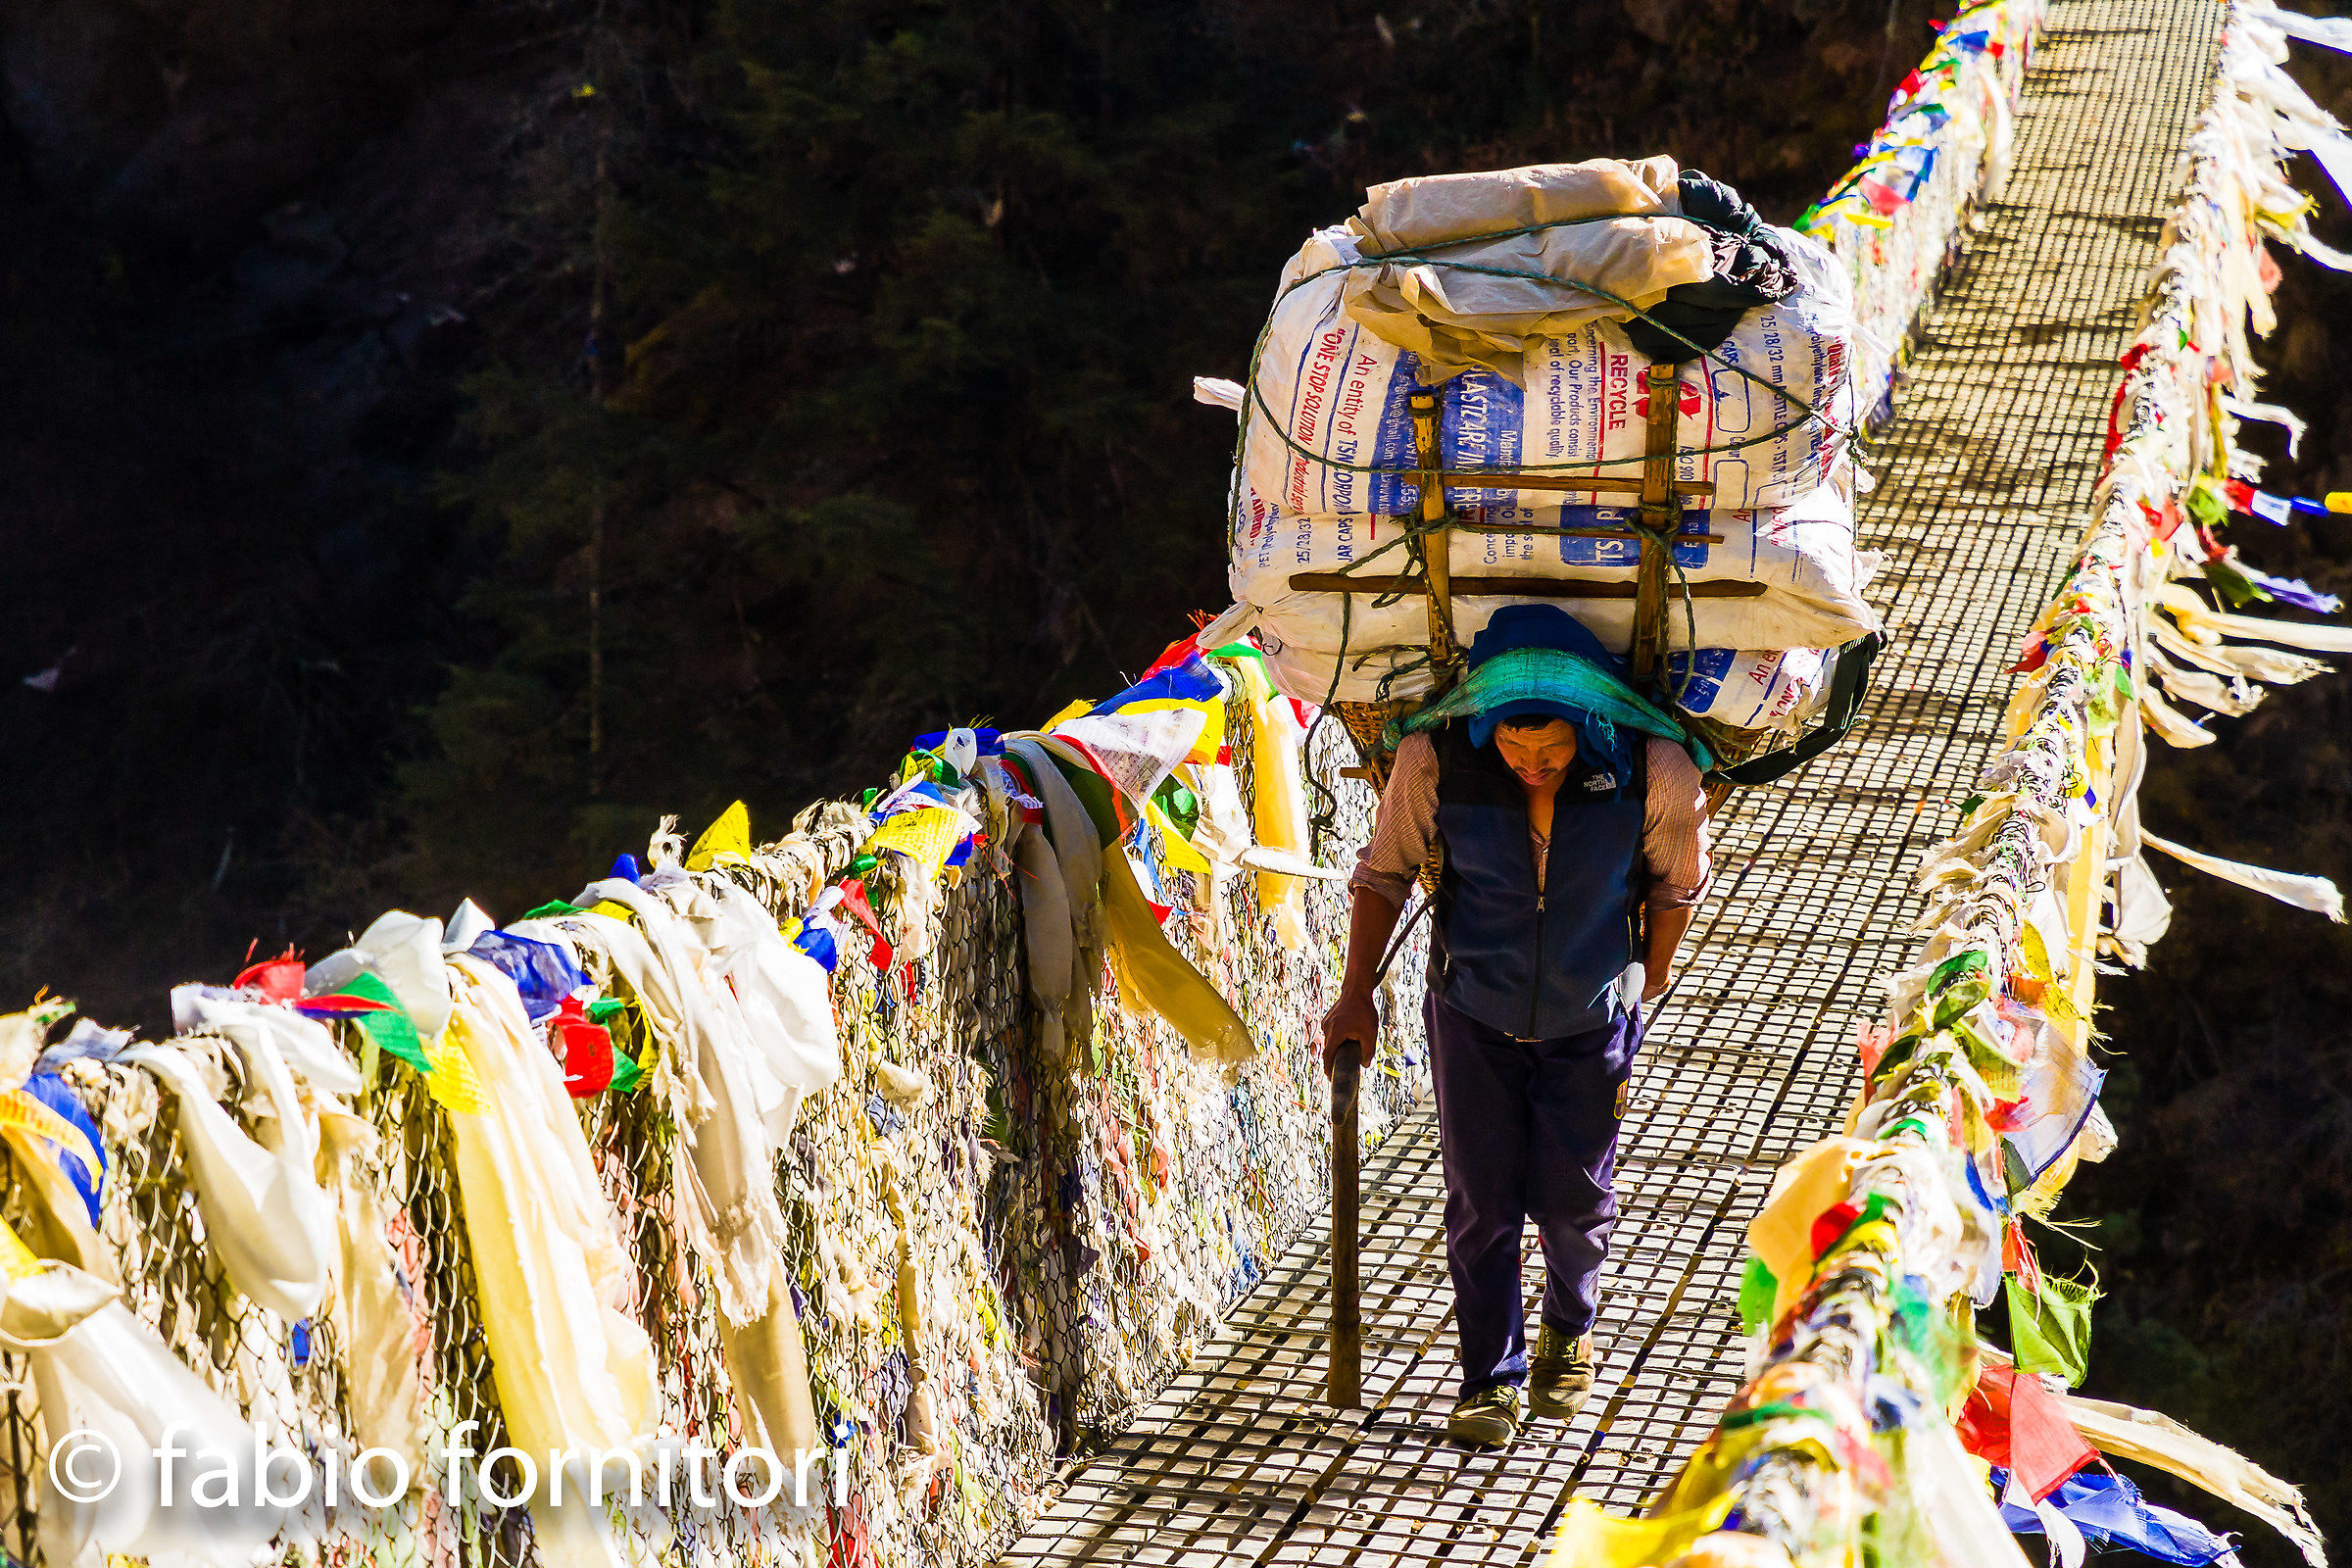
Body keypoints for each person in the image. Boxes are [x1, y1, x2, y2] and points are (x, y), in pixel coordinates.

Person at [1318, 605, 1712, 1447]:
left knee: (1574, 1201)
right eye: (1514, 748)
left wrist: (1651, 977)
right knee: (1482, 1203)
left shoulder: (1655, 770)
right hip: (1472, 1013)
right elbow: (1385, 873)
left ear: (1587, 724)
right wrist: (1357, 993)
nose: (1533, 765)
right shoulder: (1435, 760)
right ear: (1485, 725)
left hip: (1593, 1013)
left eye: (1554, 750)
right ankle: (1486, 1380)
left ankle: (1569, 1333)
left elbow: (1674, 883)